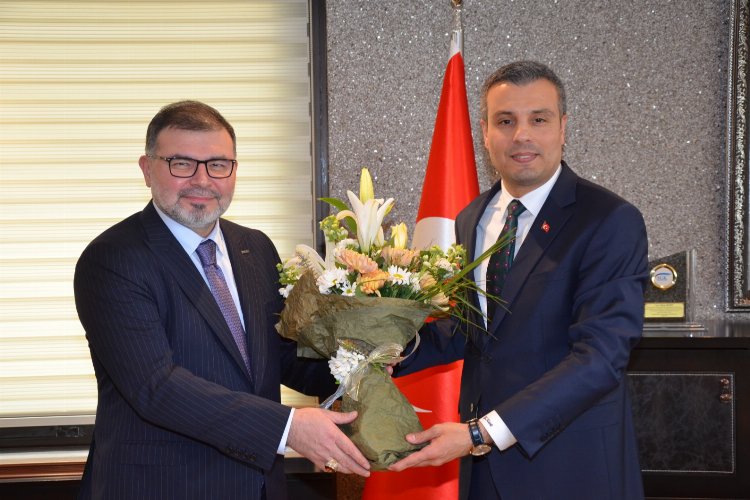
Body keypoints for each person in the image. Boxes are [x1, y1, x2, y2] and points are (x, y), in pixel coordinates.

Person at [74, 100, 370, 500]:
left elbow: (282, 358)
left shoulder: (255, 247)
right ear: (147, 169)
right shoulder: (114, 259)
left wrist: (364, 358)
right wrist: (288, 428)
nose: (202, 180)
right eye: (181, 164)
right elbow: (155, 387)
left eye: (218, 164)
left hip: (258, 486)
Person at [389, 61, 647, 499]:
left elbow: (600, 356)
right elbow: (471, 330)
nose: (521, 135)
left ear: (563, 128)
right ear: (485, 133)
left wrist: (481, 432)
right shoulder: (472, 218)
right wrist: (386, 349)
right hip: (484, 473)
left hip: (571, 468)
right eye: (505, 121)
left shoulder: (608, 220)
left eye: (538, 119)